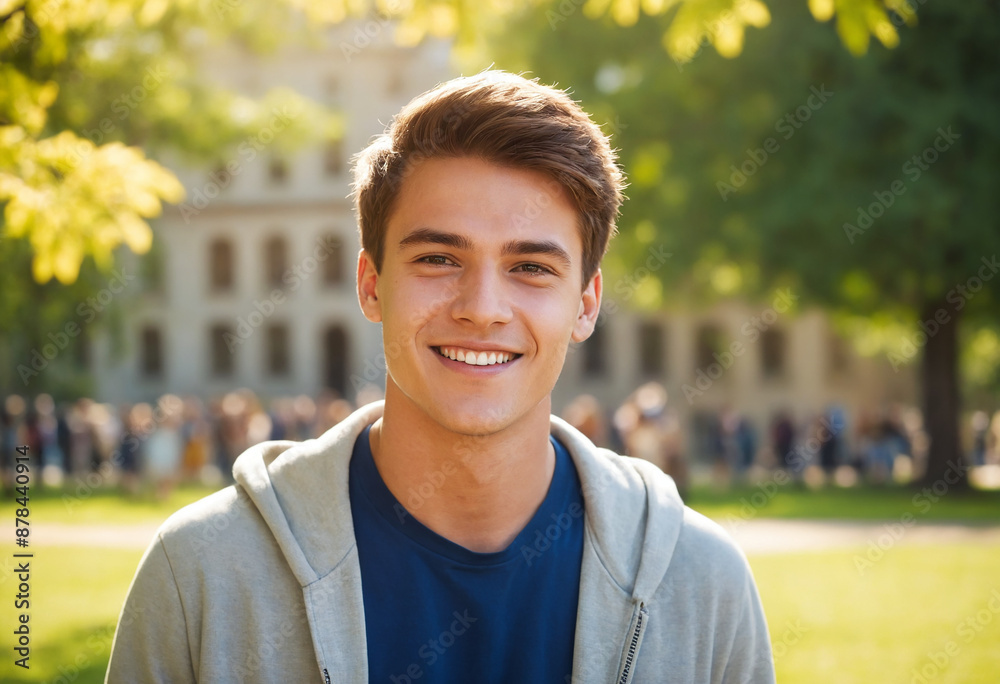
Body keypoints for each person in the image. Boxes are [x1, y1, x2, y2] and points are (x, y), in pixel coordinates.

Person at [106, 71, 774, 683]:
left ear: (586, 303)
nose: (482, 308)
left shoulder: (702, 582)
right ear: (371, 285)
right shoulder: (199, 575)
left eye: (532, 268)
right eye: (438, 258)